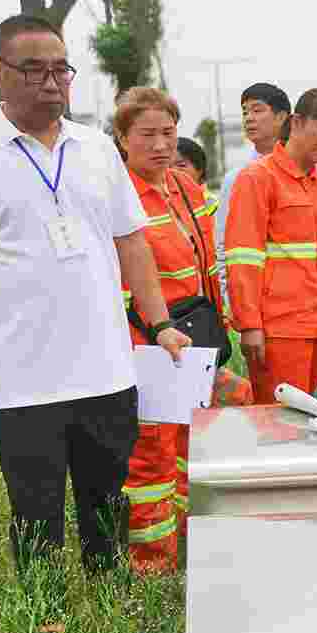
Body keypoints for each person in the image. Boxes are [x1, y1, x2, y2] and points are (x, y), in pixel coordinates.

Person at [0, 15, 190, 625]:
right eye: (33, 69)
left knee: (106, 503)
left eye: (60, 69)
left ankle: (111, 608)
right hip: (25, 381)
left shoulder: (96, 148)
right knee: (35, 511)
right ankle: (49, 622)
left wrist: (160, 321)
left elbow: (131, 242)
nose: (51, 83)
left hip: (108, 372)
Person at [112, 88, 249, 571]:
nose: (160, 144)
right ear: (123, 138)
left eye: (167, 133)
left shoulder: (186, 191)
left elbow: (209, 264)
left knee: (194, 446)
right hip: (146, 347)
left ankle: (192, 543)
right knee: (152, 457)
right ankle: (153, 563)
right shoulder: (118, 194)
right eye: (146, 134)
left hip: (195, 342)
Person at [225, 88, 317, 404]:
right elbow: (242, 258)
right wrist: (250, 325)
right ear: (296, 122)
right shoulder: (257, 178)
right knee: (281, 429)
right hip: (281, 332)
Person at [214, 83, 317, 306]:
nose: (249, 118)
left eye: (257, 110)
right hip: (275, 317)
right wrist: (238, 312)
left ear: (284, 118)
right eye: (245, 112)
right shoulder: (240, 178)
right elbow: (230, 254)